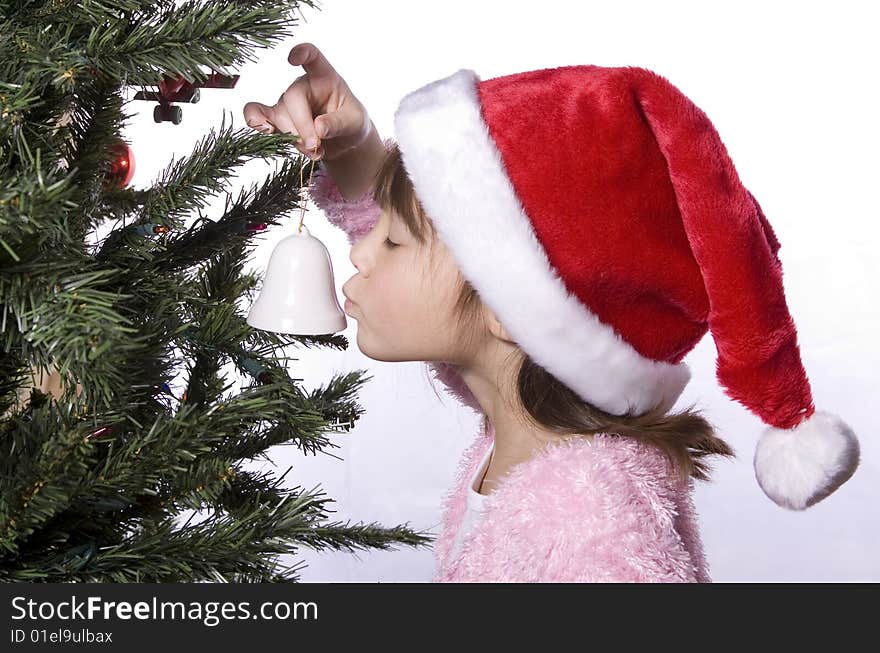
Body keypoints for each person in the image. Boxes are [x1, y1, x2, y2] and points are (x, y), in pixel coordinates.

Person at [243, 43, 860, 582]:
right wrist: (354, 148)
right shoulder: (533, 444)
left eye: (393, 240)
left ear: (514, 311)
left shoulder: (597, 525)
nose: (359, 244)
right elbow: (447, 273)